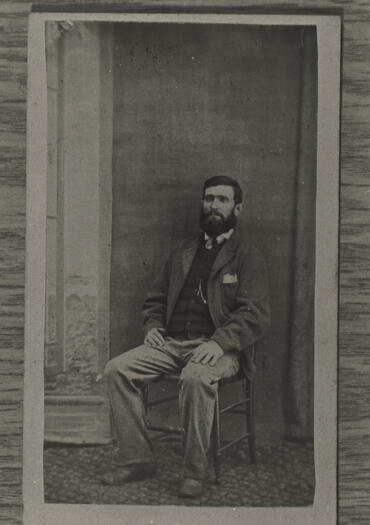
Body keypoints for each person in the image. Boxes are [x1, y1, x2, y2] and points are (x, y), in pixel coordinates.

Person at [101, 176, 270, 498]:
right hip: (170, 344)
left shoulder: (248, 256)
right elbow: (155, 299)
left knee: (195, 378)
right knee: (116, 369)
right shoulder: (183, 251)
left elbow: (255, 314)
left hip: (221, 350)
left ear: (238, 207)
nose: (214, 206)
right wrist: (152, 327)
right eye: (209, 198)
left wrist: (218, 342)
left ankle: (195, 471)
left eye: (223, 199)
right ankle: (137, 460)